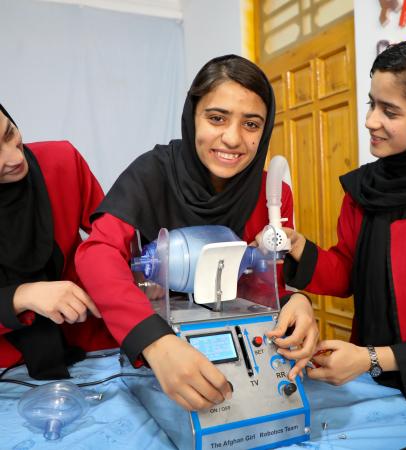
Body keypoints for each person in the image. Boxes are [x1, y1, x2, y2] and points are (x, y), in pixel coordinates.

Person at [75, 54, 318, 411]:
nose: (233, 138)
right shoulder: (152, 173)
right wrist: (155, 342)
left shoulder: (272, 194)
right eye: (217, 118)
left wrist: (298, 302)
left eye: (251, 124)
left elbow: (269, 280)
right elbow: (97, 253)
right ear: (192, 116)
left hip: (238, 356)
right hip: (155, 356)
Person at [278, 35, 406, 400]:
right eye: (372, 104)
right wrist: (299, 247)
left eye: (390, 111)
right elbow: (348, 272)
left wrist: (371, 358)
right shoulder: (367, 190)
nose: (370, 121)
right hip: (374, 383)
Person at [0, 104, 117, 380]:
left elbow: (110, 235)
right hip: (9, 365)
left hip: (89, 342)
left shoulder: (60, 161)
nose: (16, 157)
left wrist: (139, 268)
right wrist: (21, 296)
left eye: (9, 134)